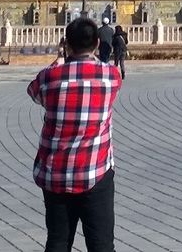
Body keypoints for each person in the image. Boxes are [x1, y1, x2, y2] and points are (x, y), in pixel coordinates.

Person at [26, 17, 121, 252]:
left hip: (55, 174)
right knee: (101, 245)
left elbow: (34, 92)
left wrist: (59, 61)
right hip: (95, 173)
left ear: (66, 44)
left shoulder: (50, 77)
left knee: (58, 241)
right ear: (98, 43)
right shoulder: (110, 76)